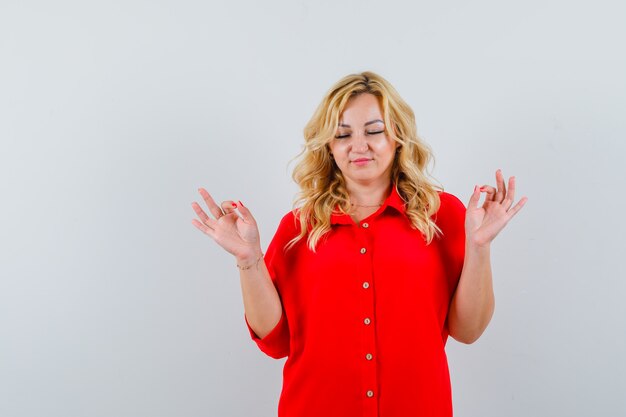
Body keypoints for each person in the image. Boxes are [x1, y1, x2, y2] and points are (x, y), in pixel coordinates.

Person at [191, 71, 527, 417]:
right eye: (342, 134)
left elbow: (468, 330)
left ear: (397, 136)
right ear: (329, 146)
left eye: (374, 131)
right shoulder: (299, 227)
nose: (359, 145)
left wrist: (480, 246)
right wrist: (249, 260)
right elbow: (275, 342)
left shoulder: (444, 217)